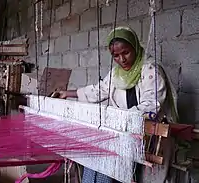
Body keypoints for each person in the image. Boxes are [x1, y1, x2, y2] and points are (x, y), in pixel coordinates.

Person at [57, 27, 178, 183]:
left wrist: (121, 119)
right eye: (116, 56)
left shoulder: (150, 69)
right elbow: (99, 90)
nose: (122, 59)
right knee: (99, 159)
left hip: (151, 136)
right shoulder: (116, 75)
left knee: (147, 177)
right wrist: (68, 93)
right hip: (127, 133)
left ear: (135, 47)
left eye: (126, 52)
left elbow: (151, 104)